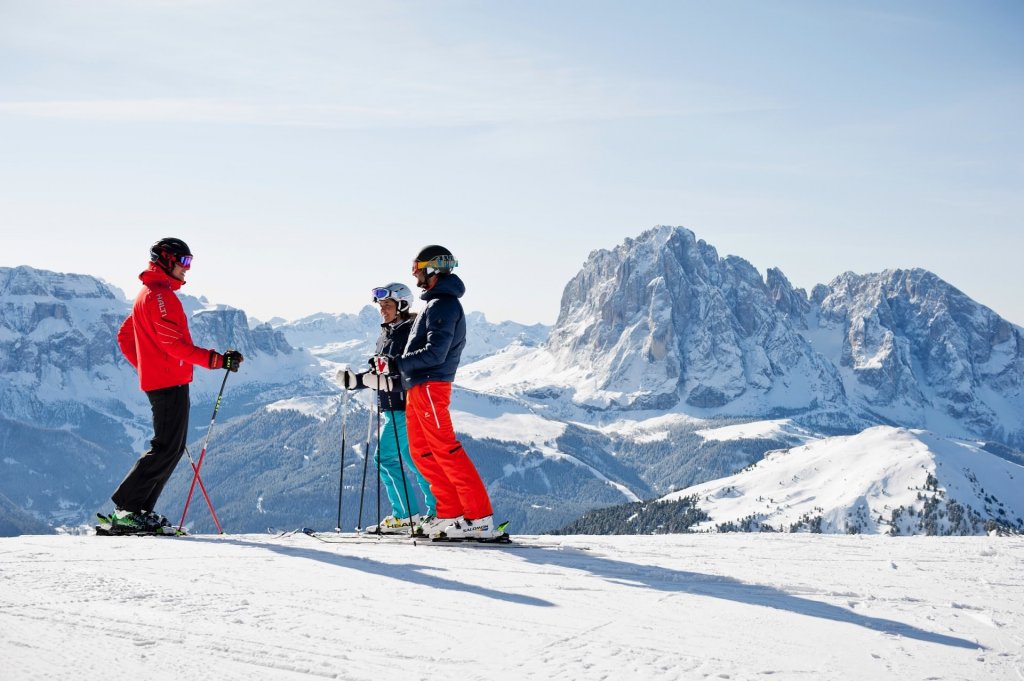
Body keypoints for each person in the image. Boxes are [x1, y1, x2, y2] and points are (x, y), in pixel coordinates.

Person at [107, 238, 243, 534]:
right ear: (166, 260)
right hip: (168, 382)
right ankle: (127, 509)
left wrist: (147, 367)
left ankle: (140, 510)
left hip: (164, 380)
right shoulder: (160, 297)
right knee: (167, 447)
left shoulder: (149, 294)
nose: (187, 269)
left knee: (172, 447)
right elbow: (175, 345)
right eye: (184, 262)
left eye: (189, 262)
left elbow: (124, 337)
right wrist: (218, 361)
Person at [370, 245, 500, 540]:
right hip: (416, 386)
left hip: (431, 385)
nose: (414, 273)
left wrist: (395, 363)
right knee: (420, 452)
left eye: (417, 267)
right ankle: (449, 513)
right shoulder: (433, 304)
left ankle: (478, 517)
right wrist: (392, 367)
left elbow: (436, 353)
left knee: (445, 449)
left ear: (432, 269)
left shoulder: (444, 303)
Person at [337, 282, 436, 533]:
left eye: (388, 305)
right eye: (381, 306)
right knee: (415, 461)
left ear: (402, 306)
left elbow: (410, 370)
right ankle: (437, 511)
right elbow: (379, 371)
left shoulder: (409, 333)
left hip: (404, 407)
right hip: (393, 408)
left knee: (386, 458)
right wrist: (356, 381)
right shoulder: (387, 333)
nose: (383, 310)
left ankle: (405, 516)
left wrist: (386, 382)